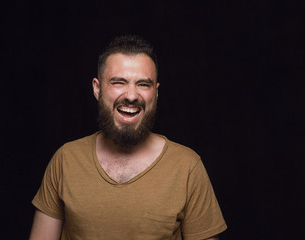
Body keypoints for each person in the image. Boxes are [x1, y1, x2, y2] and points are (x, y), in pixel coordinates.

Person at [29, 35, 227, 240]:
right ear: (97, 89)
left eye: (143, 84)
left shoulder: (187, 167)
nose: (131, 96)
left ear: (156, 93)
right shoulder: (65, 160)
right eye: (119, 82)